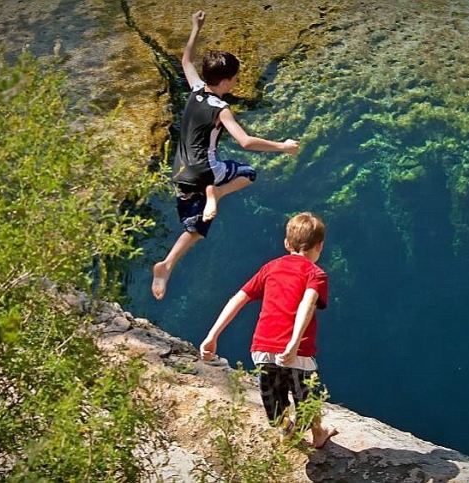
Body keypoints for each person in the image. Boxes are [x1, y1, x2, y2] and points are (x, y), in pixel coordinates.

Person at [151, 10, 300, 301]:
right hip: (206, 171)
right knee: (248, 174)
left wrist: (195, 28)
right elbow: (245, 141)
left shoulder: (196, 89)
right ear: (225, 81)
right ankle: (216, 193)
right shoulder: (221, 109)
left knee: (196, 227)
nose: (235, 82)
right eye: (233, 79)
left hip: (180, 172)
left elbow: (186, 61)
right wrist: (283, 146)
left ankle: (167, 264)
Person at [199, 212, 339, 449]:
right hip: (297, 352)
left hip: (262, 348)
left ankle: (286, 430)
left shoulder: (270, 268)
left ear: (286, 243)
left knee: (274, 400)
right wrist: (294, 342)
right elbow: (307, 303)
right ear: (320, 246)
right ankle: (317, 433)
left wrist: (212, 335)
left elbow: (239, 298)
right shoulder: (316, 274)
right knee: (307, 395)